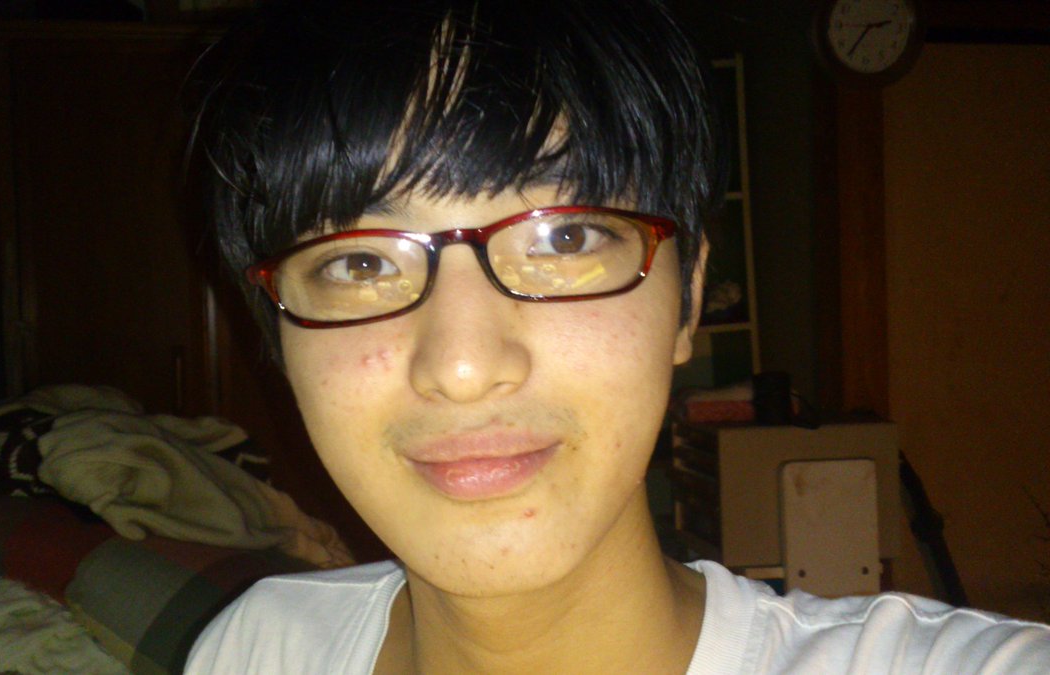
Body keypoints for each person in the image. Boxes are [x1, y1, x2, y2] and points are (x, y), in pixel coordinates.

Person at [183, 0, 1050, 672]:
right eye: (361, 262)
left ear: (689, 294)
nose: (463, 364)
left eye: (564, 238)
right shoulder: (257, 648)